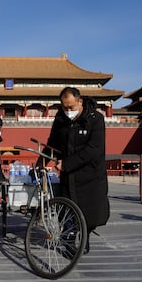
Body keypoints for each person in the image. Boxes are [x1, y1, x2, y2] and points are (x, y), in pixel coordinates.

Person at [36, 87, 110, 254]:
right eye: (64, 107)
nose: (68, 111)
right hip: (69, 177)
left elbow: (94, 149)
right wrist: (41, 162)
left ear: (80, 102)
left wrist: (67, 163)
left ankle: (85, 236)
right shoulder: (61, 119)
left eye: (71, 107)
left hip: (91, 175)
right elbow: (52, 143)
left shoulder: (95, 119)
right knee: (67, 211)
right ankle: (68, 240)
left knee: (90, 214)